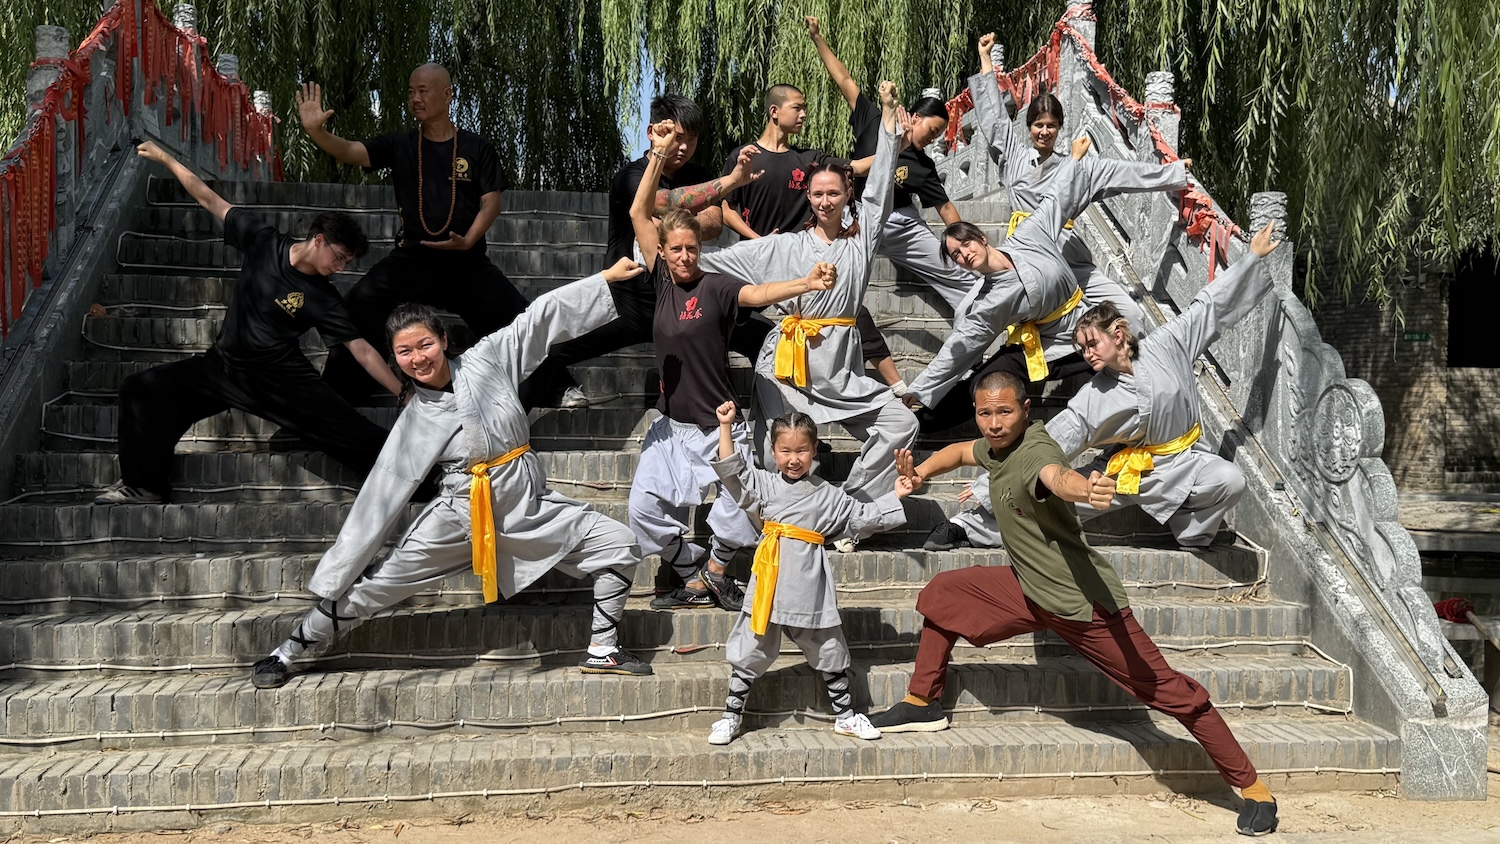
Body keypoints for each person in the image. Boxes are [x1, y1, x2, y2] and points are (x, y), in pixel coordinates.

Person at [870, 370, 1278, 837]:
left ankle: (1254, 789)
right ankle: (922, 701)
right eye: (985, 413)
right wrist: (921, 472)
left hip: (1083, 605)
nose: (994, 423)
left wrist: (1087, 489)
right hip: (1028, 589)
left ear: (1026, 410)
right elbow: (963, 451)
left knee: (1171, 692)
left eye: (1005, 412)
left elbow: (1057, 477)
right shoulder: (996, 447)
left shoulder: (1035, 453)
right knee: (946, 592)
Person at [250, 258, 656, 689]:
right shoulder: (414, 421)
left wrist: (604, 279)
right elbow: (379, 497)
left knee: (619, 544)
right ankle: (286, 651)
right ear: (394, 358)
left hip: (525, 504)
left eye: (424, 344)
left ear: (443, 340)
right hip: (461, 516)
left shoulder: (488, 359)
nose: (417, 358)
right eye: (404, 352)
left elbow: (539, 318)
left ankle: (602, 649)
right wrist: (340, 567)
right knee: (377, 586)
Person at [938, 226, 1280, 551]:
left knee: (1230, 479)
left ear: (1118, 336)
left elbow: (1208, 309)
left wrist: (1251, 259)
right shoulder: (1096, 394)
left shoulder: (1168, 345)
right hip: (1125, 472)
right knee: (1055, 500)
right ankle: (970, 527)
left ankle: (1191, 531)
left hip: (1186, 461)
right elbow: (1052, 441)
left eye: (1092, 344)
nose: (1086, 354)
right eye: (1082, 348)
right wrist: (989, 485)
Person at [95, 141, 400, 505]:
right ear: (318, 240)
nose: (341, 267)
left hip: (279, 380)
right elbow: (209, 198)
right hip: (222, 368)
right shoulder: (263, 241)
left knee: (348, 430)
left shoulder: (324, 296)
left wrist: (401, 391)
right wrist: (165, 158)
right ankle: (146, 486)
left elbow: (361, 349)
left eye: (347, 262)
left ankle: (423, 476)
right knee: (140, 389)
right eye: (339, 257)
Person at [625, 119, 844, 612]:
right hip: (671, 427)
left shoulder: (717, 286)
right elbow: (639, 210)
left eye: (692, 248)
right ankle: (692, 570)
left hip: (718, 421)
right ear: (663, 251)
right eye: (675, 249)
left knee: (741, 503)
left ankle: (719, 572)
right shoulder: (661, 281)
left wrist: (805, 284)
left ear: (700, 250)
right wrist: (659, 154)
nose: (684, 256)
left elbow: (759, 293)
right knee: (642, 510)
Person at [697, 82, 918, 529]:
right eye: (817, 195)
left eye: (833, 193)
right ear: (809, 198)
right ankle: (772, 523)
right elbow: (725, 261)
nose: (824, 201)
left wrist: (888, 119)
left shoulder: (862, 241)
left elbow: (880, 188)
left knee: (901, 423)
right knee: (770, 450)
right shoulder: (787, 246)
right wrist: (667, 254)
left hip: (839, 366)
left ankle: (848, 507)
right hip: (787, 362)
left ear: (847, 195)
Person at [902, 140, 1191, 430]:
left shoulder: (1029, 235)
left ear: (981, 238)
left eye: (966, 244)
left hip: (1085, 320)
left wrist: (1076, 161)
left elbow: (1058, 196)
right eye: (956, 255)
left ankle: (1145, 404)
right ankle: (916, 424)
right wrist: (920, 388)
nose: (964, 254)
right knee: (986, 382)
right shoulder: (988, 302)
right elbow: (959, 347)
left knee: (1128, 329)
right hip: (1049, 343)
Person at [296, 65, 530, 403]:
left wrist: (468, 240)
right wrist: (316, 132)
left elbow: (492, 203)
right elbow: (350, 150)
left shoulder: (476, 147)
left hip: (466, 260)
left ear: (447, 95)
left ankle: (552, 387)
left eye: (423, 91)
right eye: (410, 91)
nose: (415, 98)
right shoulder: (401, 144)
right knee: (360, 302)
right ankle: (342, 393)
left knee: (520, 316)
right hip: (412, 258)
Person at [520, 95, 770, 409]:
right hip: (630, 300)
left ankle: (774, 426)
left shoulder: (700, 175)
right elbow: (656, 203)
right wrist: (722, 187)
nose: (684, 147)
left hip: (686, 301)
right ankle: (516, 425)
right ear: (654, 132)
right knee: (547, 347)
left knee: (766, 338)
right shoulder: (631, 177)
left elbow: (713, 223)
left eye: (692, 140)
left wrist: (674, 222)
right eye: (677, 138)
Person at [706, 401, 912, 745]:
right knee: (751, 646)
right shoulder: (763, 483)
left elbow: (861, 517)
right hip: (769, 580)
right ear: (773, 451)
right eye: (785, 451)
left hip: (808, 582)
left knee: (828, 646)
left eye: (801, 450)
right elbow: (732, 470)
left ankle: (845, 716)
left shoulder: (829, 495)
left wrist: (896, 494)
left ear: (815, 449)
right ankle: (730, 716)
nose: (793, 459)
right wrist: (725, 426)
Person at [719, 81, 905, 395]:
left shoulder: (809, 161)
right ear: (775, 111)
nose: (804, 114)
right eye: (798, 107)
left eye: (805, 108)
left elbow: (858, 168)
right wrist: (758, 239)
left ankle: (896, 386)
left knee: (852, 312)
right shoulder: (744, 156)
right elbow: (726, 209)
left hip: (802, 263)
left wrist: (896, 140)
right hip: (758, 261)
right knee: (720, 316)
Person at [973, 31, 1146, 332]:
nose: (1044, 132)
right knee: (977, 313)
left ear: (1060, 128)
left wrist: (1174, 175)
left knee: (1131, 314)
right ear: (1028, 127)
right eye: (1038, 125)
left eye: (1051, 126)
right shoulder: (1014, 156)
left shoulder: (1072, 164)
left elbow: (1119, 176)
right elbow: (995, 119)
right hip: (1029, 253)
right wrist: (985, 60)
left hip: (1067, 252)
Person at [806, 15, 978, 312]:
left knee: (955, 272)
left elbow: (946, 208)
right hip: (855, 216)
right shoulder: (875, 121)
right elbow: (844, 80)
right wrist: (817, 37)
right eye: (932, 130)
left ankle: (983, 310)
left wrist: (966, 243)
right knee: (827, 264)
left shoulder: (923, 166)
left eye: (938, 135)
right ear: (915, 117)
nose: (933, 138)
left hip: (899, 225)